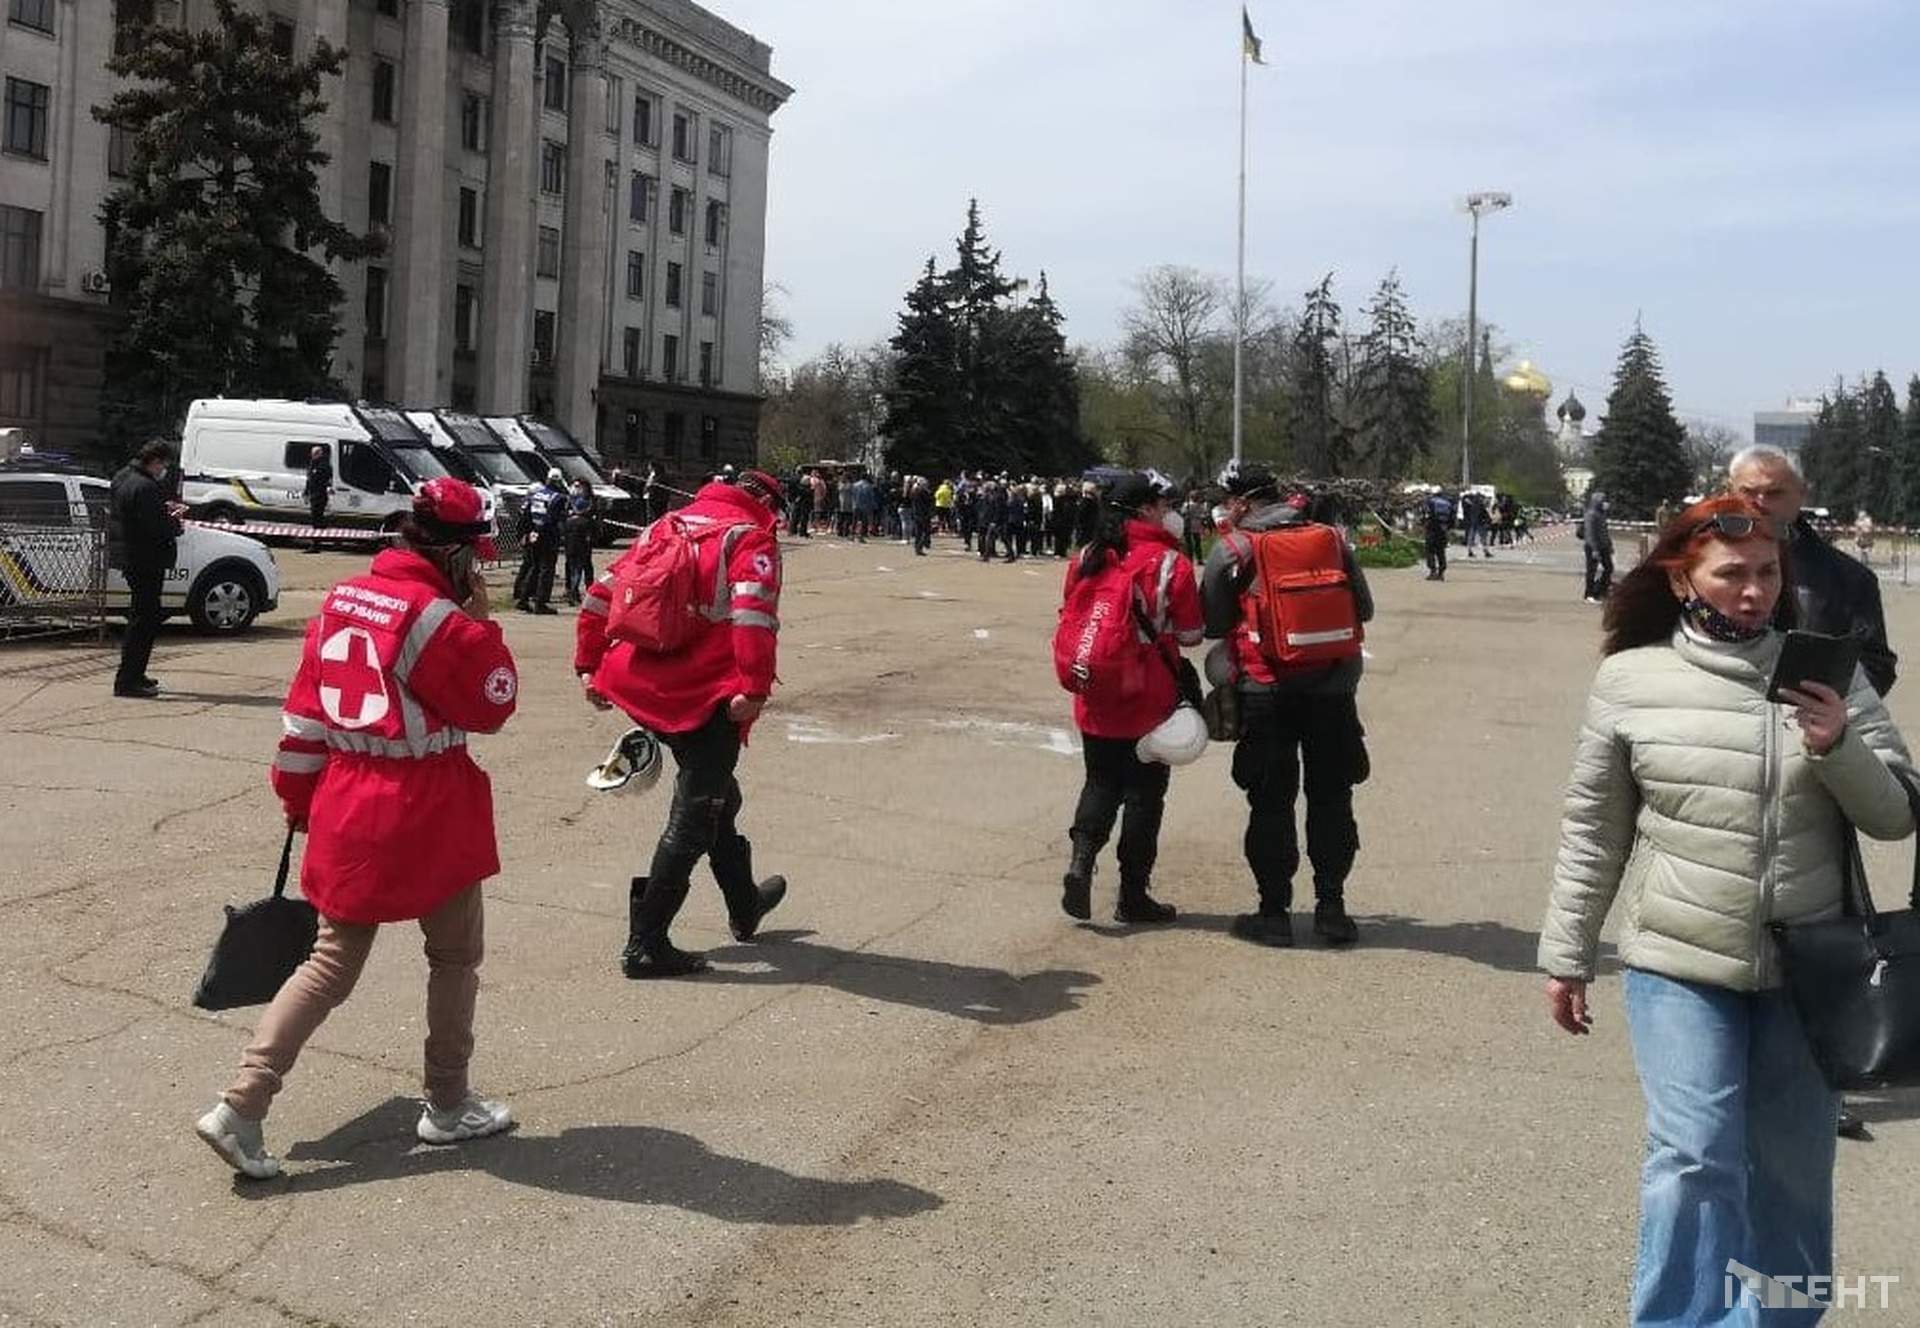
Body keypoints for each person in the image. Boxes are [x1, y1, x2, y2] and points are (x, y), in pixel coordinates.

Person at [1538, 495, 1914, 1323]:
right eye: (1732, 574)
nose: (1753, 590)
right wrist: (1568, 953)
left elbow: (1895, 814)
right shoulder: (1632, 679)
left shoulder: (1831, 671)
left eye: (1767, 573)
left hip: (1810, 969)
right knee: (1694, 1156)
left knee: (1790, 1166)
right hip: (1679, 961)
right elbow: (1593, 831)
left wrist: (1836, 744)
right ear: (1683, 579)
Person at [193, 478, 519, 1180]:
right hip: (428, 802)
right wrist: (483, 624)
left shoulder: (341, 600)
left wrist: (299, 800)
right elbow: (495, 701)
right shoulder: (435, 619)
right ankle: (448, 1103)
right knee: (455, 956)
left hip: (347, 795)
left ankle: (241, 1105)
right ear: (459, 555)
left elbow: (302, 722)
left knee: (329, 965)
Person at [575, 469, 790, 977]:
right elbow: (753, 616)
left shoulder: (667, 524)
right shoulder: (750, 537)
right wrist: (755, 688)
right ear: (765, 503)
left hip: (638, 682)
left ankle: (744, 903)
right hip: (704, 695)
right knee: (698, 811)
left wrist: (589, 662)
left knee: (719, 796)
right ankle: (646, 941)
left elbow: (602, 592)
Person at [1203, 463, 1373, 948]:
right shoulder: (1332, 540)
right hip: (1335, 690)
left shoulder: (1234, 548)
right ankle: (1332, 909)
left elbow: (1214, 624)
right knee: (1332, 798)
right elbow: (1364, 608)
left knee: (1270, 802)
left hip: (1265, 691)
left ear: (1240, 503)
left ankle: (1273, 913)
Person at [1058, 472, 1204, 924]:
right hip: (1149, 697)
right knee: (1144, 795)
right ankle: (1132, 894)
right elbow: (1192, 633)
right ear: (1144, 509)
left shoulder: (1087, 556)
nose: (1167, 511)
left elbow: (1072, 614)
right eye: (1161, 504)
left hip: (1095, 689)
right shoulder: (1168, 562)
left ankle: (1081, 861)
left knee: (1100, 781)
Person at [108, 439, 184, 699]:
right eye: (163, 464)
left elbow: (136, 515)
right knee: (144, 620)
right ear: (155, 461)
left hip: (131, 556)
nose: (164, 469)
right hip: (146, 558)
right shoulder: (145, 486)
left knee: (142, 616)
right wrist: (175, 522)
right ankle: (128, 679)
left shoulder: (123, 476)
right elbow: (156, 526)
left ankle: (135, 673)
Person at [514, 469, 565, 613]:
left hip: (533, 534)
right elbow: (552, 519)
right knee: (546, 569)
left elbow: (526, 515)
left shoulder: (536, 495)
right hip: (548, 536)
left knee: (534, 567)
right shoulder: (558, 497)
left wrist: (527, 533)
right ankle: (540, 602)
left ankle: (523, 599)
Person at [562, 478, 598, 606]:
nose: (577, 488)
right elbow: (565, 512)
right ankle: (572, 591)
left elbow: (593, 512)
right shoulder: (571, 499)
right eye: (575, 486)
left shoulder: (590, 500)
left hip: (583, 538)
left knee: (585, 566)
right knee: (573, 566)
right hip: (572, 538)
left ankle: (588, 590)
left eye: (579, 486)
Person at [1581, 490, 1614, 604]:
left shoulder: (1602, 514)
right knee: (1591, 570)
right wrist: (1594, 549)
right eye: (1603, 501)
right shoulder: (1591, 514)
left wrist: (1609, 545)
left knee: (1609, 568)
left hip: (1603, 546)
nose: (1606, 503)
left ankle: (1600, 591)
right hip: (1593, 547)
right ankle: (1589, 594)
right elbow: (1590, 533)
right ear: (1597, 501)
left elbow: (1604, 532)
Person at [304, 444, 332, 553]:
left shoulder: (324, 465)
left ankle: (316, 544)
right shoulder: (312, 464)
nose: (313, 455)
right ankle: (315, 543)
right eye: (312, 453)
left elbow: (325, 480)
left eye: (316, 453)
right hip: (313, 494)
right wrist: (306, 492)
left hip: (320, 495)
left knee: (317, 520)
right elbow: (309, 480)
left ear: (320, 453)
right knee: (314, 520)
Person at [1421, 491, 1455, 582]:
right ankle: (1441, 573)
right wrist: (1447, 528)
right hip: (1443, 531)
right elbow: (1452, 519)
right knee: (1441, 551)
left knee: (1430, 550)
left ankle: (1433, 571)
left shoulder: (1430, 502)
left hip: (1432, 529)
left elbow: (1426, 515)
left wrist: (1424, 524)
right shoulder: (1448, 504)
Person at [910, 477, 935, 556]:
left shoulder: (914, 491)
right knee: (925, 531)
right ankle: (920, 546)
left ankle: (918, 547)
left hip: (917, 513)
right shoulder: (922, 492)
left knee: (919, 531)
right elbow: (929, 501)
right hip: (923, 514)